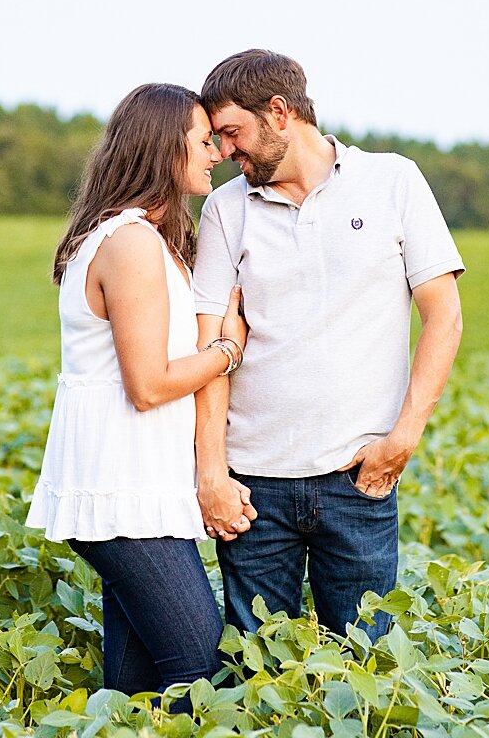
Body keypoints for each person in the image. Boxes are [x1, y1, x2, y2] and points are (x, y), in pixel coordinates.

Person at [192, 50, 464, 639]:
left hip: (356, 479)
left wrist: (403, 439)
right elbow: (209, 344)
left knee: (367, 666)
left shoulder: (394, 181)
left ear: (280, 113)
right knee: (258, 673)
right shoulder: (224, 208)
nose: (225, 152)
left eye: (233, 133)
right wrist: (211, 472)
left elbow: (444, 318)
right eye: (216, 138)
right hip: (252, 489)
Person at [25, 83, 253, 706]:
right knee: (200, 664)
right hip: (121, 481)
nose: (216, 154)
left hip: (138, 483)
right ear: (162, 148)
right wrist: (227, 351)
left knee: (131, 685)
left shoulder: (136, 237)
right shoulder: (130, 243)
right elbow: (148, 386)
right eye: (202, 142)